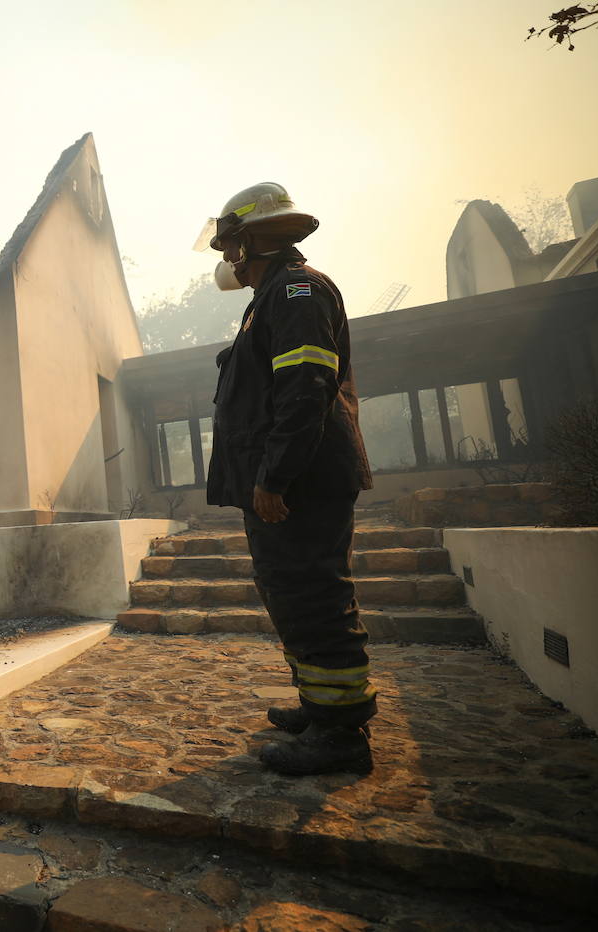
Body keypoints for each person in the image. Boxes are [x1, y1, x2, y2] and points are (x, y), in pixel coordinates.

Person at [194, 183, 376, 775]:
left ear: (251, 240)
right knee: (289, 593)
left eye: (230, 247)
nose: (227, 261)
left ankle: (340, 735)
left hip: (301, 482)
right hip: (285, 481)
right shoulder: (272, 297)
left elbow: (304, 393)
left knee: (313, 596)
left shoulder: (298, 291)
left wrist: (274, 477)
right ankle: (319, 705)